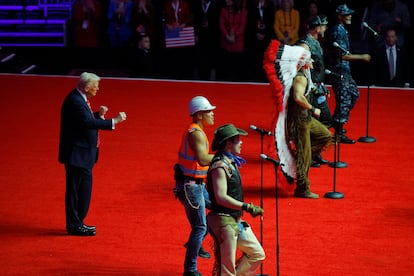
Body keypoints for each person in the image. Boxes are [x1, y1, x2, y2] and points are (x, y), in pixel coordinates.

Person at [59, 72, 127, 236]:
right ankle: (75, 225)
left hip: (83, 155)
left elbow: (84, 120)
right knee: (75, 191)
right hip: (77, 155)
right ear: (87, 87)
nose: (97, 89)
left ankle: (78, 222)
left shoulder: (78, 99)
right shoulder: (74, 101)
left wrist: (99, 115)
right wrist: (113, 121)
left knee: (83, 191)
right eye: (96, 86)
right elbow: (86, 123)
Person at [263, 40, 333, 198]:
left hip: (305, 119)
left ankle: (299, 156)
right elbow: (298, 96)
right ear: (304, 62)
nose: (312, 60)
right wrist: (313, 108)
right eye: (309, 58)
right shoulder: (300, 78)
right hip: (300, 121)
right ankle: (302, 187)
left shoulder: (304, 74)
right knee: (305, 153)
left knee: (325, 135)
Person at [206, 123, 265, 275]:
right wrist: (246, 207)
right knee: (227, 268)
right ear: (228, 144)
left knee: (257, 254)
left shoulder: (229, 162)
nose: (242, 142)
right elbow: (221, 197)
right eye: (238, 140)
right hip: (224, 221)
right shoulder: (219, 166)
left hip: (234, 220)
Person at [173, 96, 216, 276]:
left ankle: (195, 244)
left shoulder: (197, 130)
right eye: (209, 111)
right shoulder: (196, 134)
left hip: (195, 186)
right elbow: (203, 159)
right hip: (192, 188)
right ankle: (190, 269)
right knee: (199, 227)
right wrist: (224, 156)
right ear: (199, 115)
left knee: (217, 208)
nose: (212, 114)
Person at [327, 4, 371, 144]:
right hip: (339, 71)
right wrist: (361, 57)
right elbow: (341, 55)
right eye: (347, 14)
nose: (350, 16)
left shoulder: (343, 30)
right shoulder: (338, 31)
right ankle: (338, 132)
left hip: (345, 71)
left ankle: (335, 122)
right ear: (340, 17)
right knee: (344, 100)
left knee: (353, 95)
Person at [297, 14, 332, 167]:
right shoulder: (304, 44)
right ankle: (307, 154)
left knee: (324, 120)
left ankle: (314, 153)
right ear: (317, 27)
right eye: (323, 25)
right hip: (309, 88)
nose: (325, 27)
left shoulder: (315, 42)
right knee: (317, 120)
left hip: (317, 86)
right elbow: (302, 66)